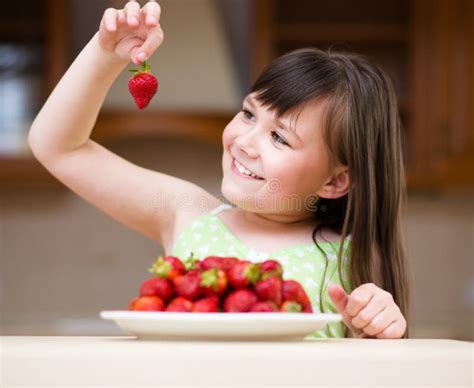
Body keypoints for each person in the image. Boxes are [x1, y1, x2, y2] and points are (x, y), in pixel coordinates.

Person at [28, 0, 409, 339]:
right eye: (248, 114)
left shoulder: (351, 259)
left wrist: (380, 330)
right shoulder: (187, 211)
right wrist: (105, 53)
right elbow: (60, 147)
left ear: (336, 180)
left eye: (280, 138)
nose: (244, 141)